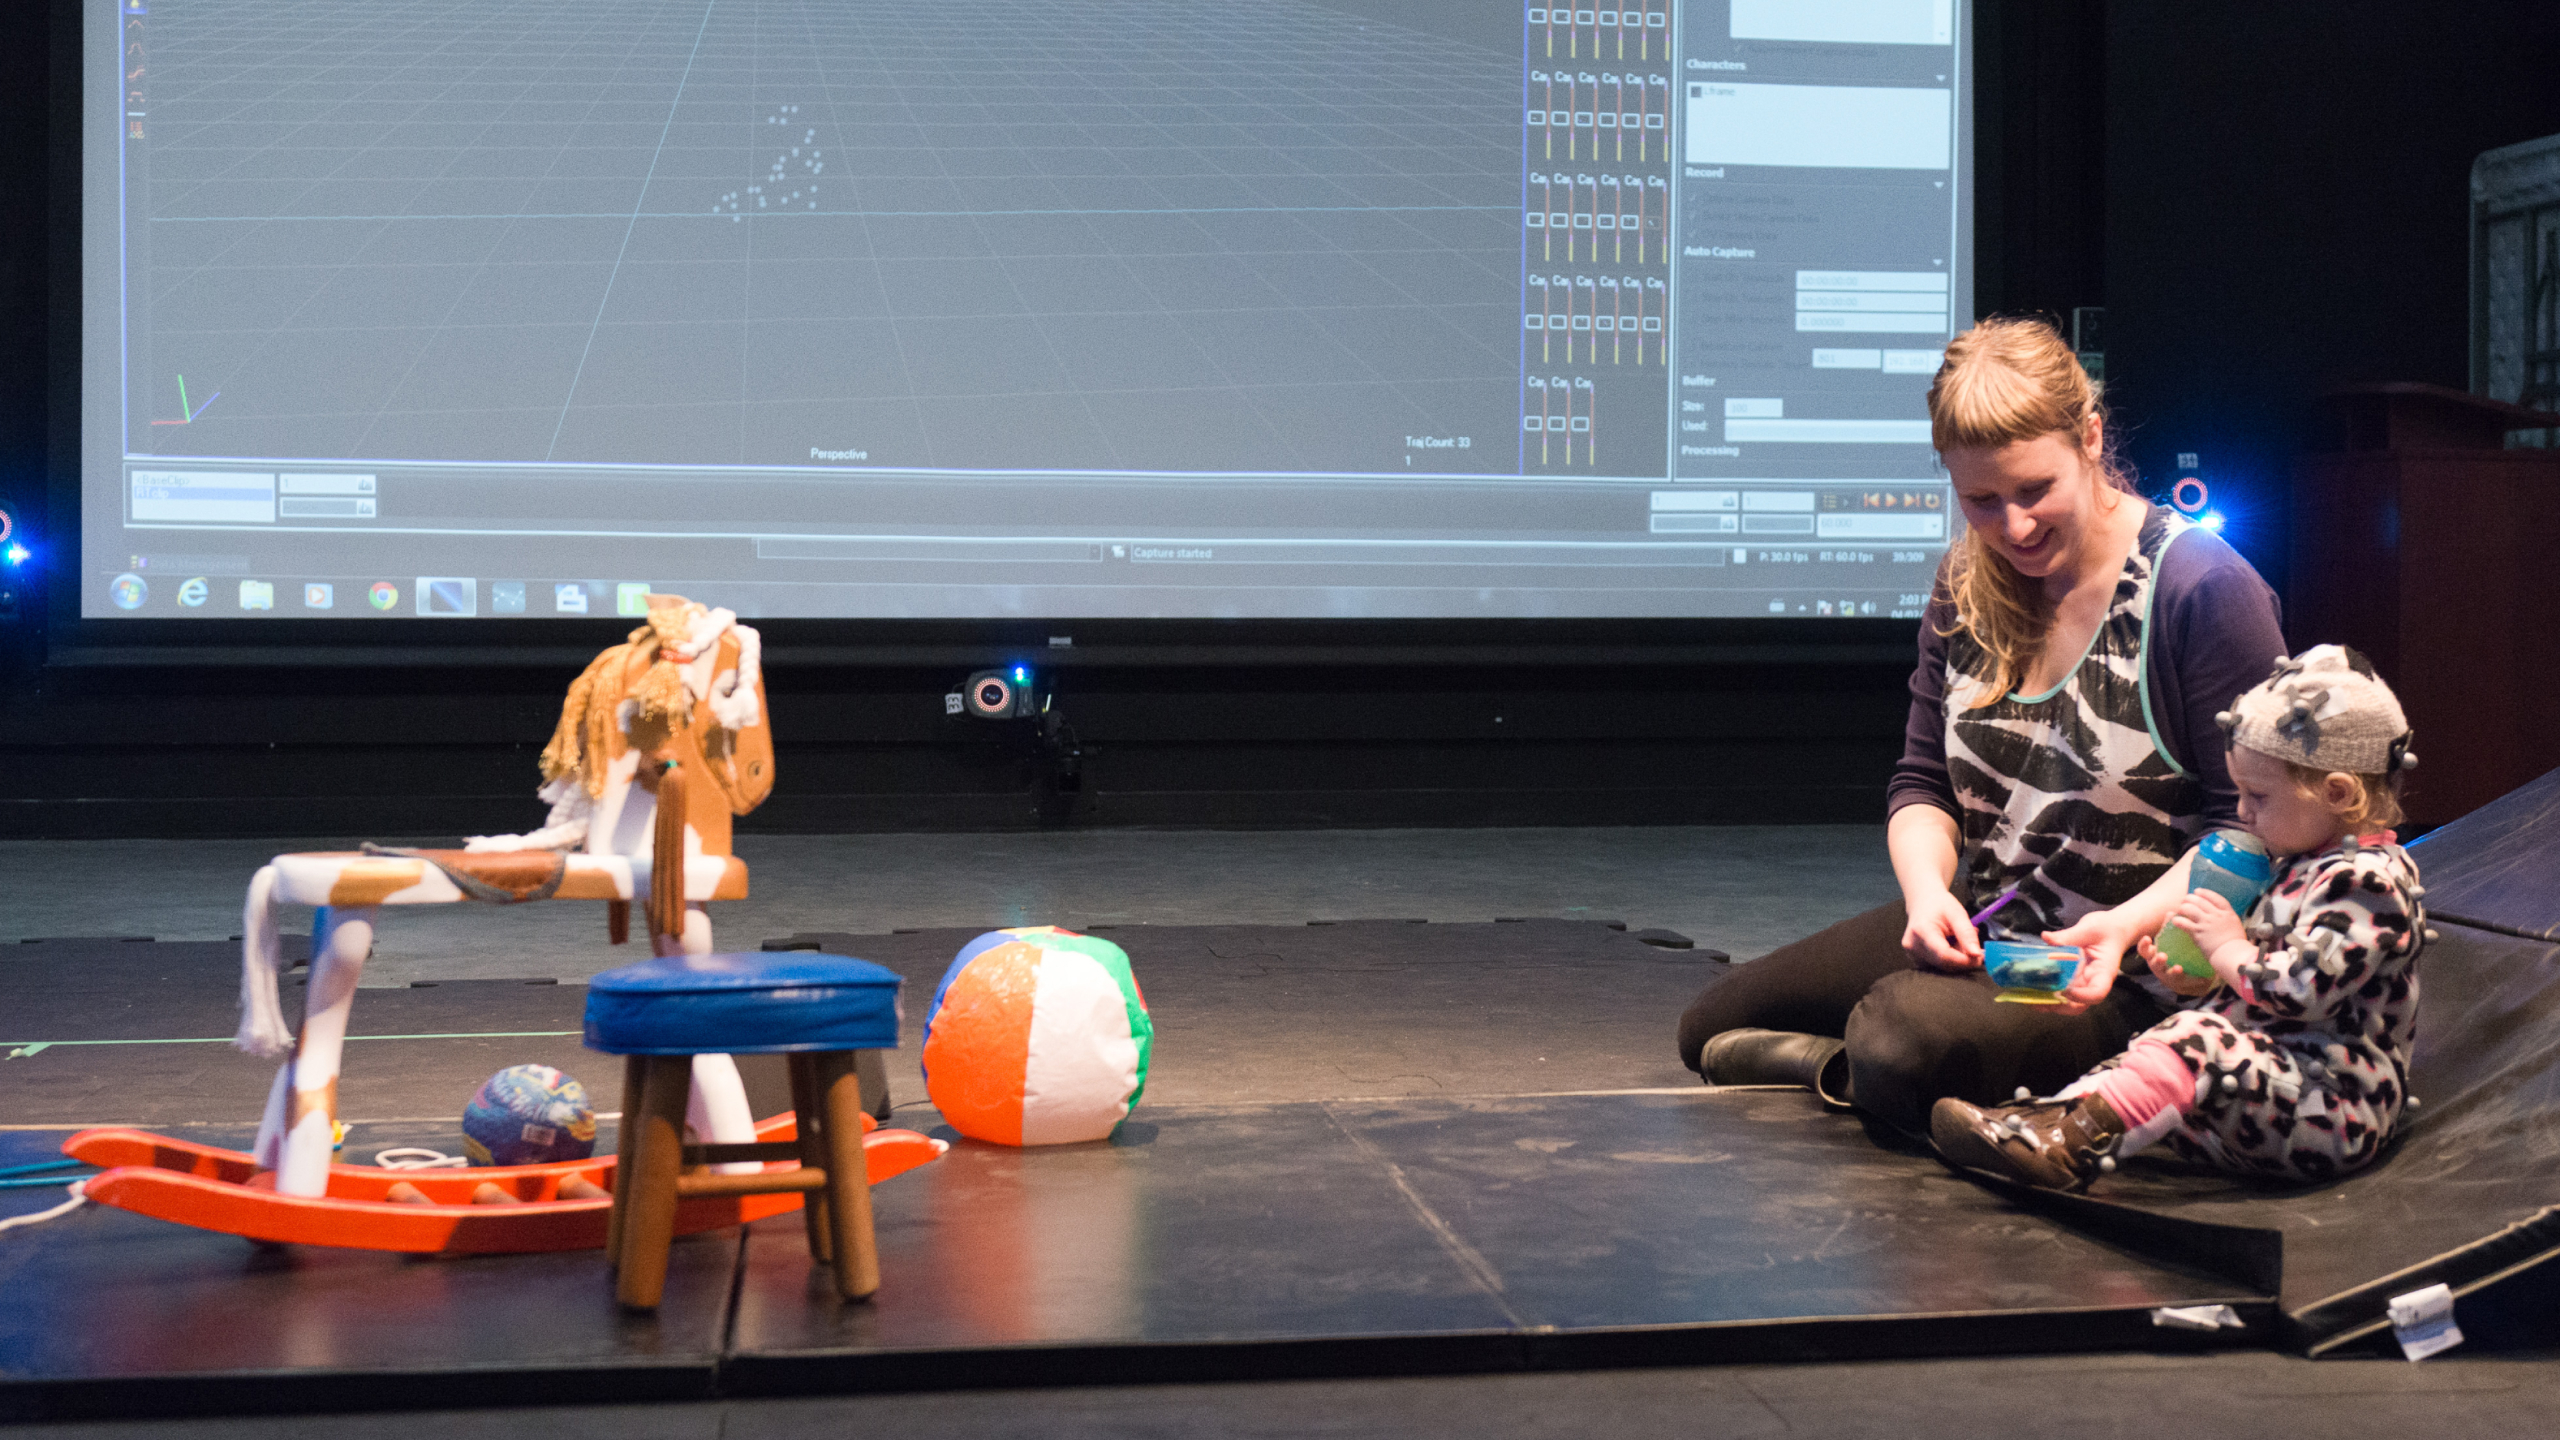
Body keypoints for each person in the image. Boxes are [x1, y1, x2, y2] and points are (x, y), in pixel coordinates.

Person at [1675, 317, 2288, 1136]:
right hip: (2001, 938)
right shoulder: (1966, 581)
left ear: (2091, 440)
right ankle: (1858, 1067)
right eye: (1981, 501)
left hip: (2122, 976)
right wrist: (1928, 896)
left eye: (2035, 490)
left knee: (1906, 1036)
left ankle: (1886, 1061)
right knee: (1709, 1024)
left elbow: (2248, 833)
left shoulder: (2200, 590)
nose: (2014, 527)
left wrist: (2124, 925)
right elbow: (1922, 782)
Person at [1931, 646, 2426, 1187]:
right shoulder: (2298, 864)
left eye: (2258, 796)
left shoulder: (2367, 883)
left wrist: (2228, 950)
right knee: (2163, 1041)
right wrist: (2202, 979)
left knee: (2196, 1039)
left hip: (2330, 1109)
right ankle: (2048, 1124)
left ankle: (2062, 1144)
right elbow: (2263, 979)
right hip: (2267, 1085)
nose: (2241, 813)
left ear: (2336, 793)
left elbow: (2300, 990)